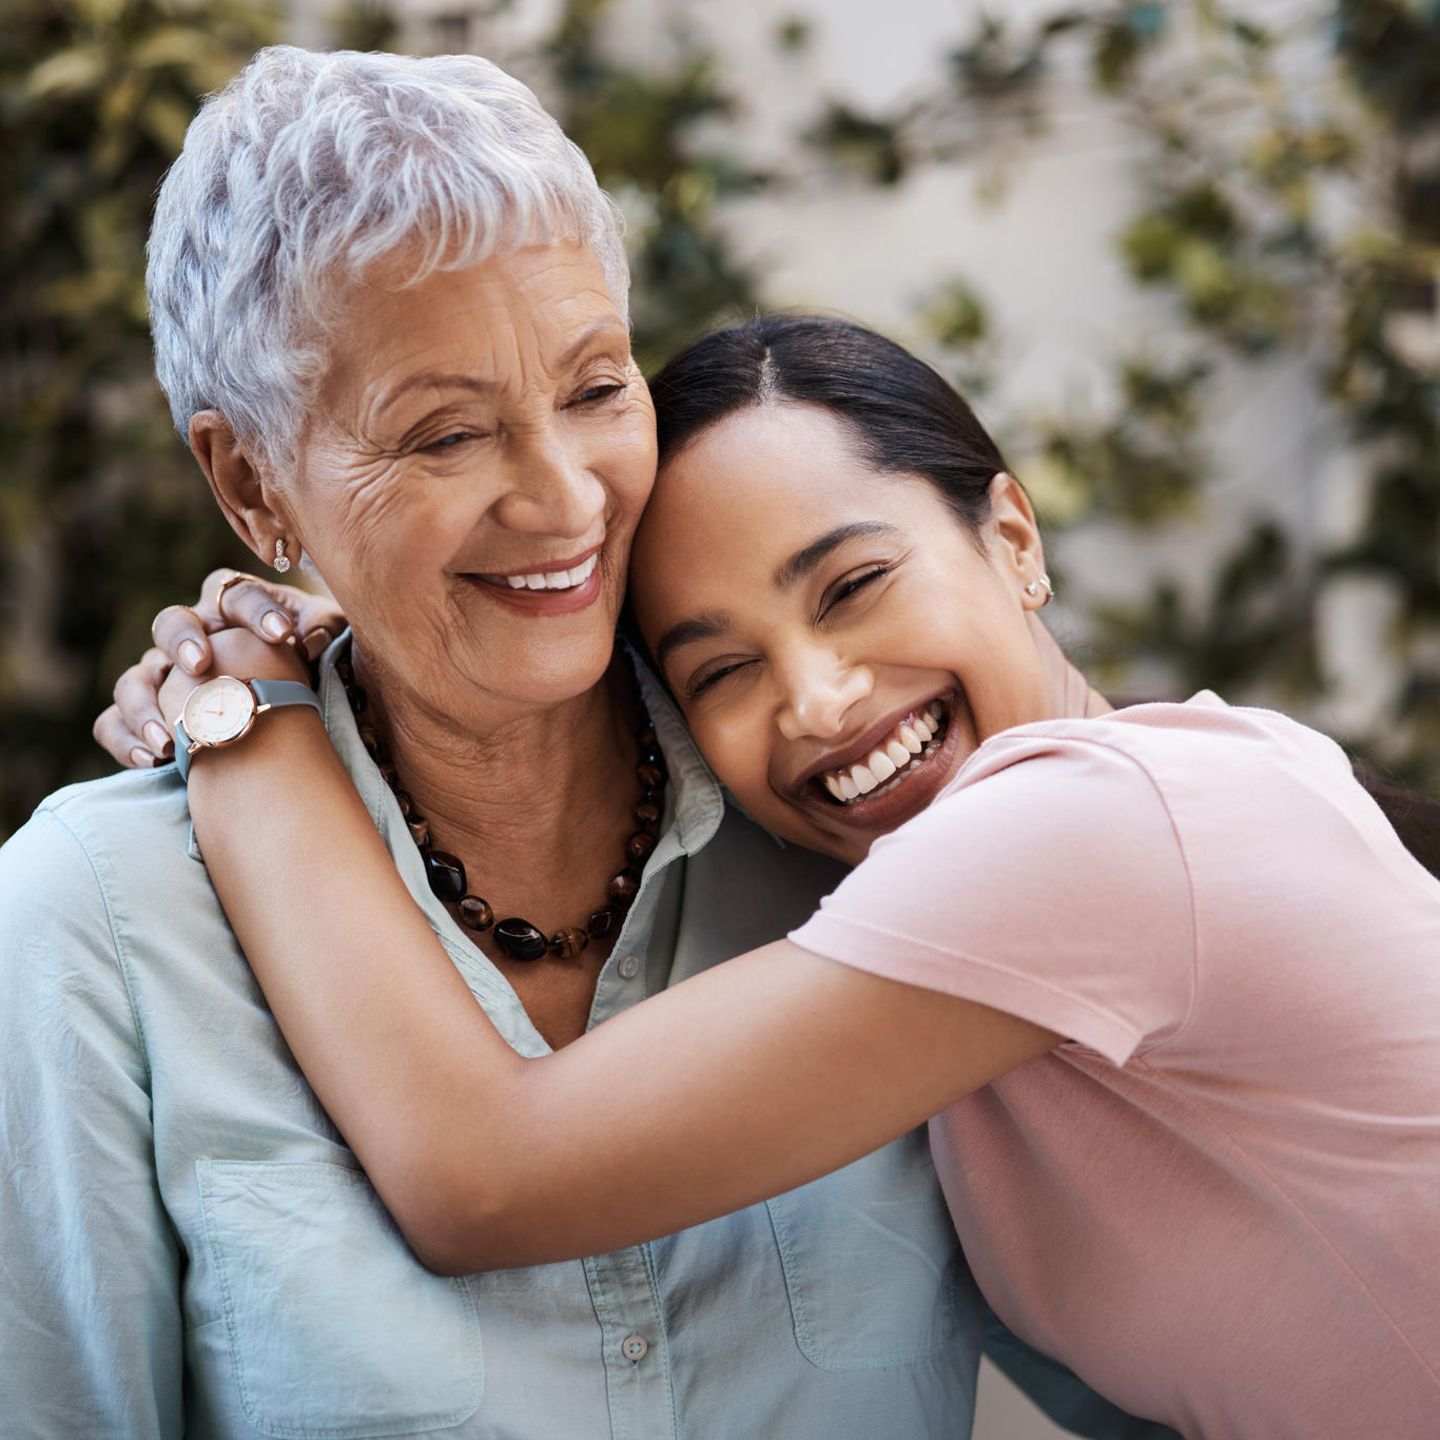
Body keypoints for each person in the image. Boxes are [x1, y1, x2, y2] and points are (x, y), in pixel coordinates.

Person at [0, 45, 1161, 1440]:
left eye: (598, 389)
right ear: (252, 485)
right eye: (443, 438)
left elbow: (1191, 1354)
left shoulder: (842, 812)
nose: (563, 500)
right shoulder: (97, 930)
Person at [111, 314, 1440, 1439]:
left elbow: (483, 1177)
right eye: (720, 671)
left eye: (853, 584)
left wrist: (251, 722)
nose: (819, 700)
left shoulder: (1099, 830)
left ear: (1015, 539)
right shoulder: (935, 948)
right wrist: (399, 640)